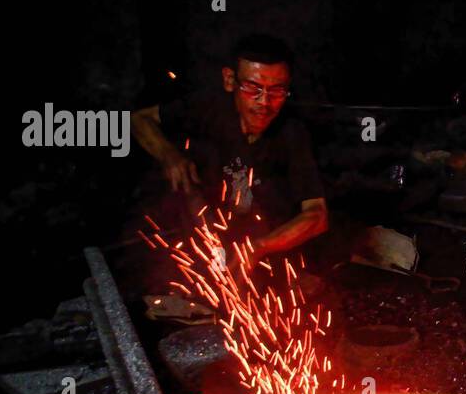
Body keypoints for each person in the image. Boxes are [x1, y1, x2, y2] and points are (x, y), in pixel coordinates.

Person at [133, 33, 328, 254]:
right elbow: (139, 119)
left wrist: (258, 248)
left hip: (265, 242)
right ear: (229, 80)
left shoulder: (292, 133)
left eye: (277, 90)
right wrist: (169, 155)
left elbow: (316, 216)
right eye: (252, 88)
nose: (264, 102)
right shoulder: (209, 107)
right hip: (200, 234)